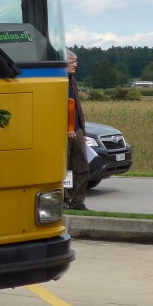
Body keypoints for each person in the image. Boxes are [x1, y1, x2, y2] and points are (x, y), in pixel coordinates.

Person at [65, 51, 90, 210]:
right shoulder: (57, 82)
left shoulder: (72, 81)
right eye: (72, 62)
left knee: (82, 168)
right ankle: (64, 201)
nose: (75, 64)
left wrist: (82, 130)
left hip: (78, 130)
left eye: (76, 62)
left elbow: (76, 108)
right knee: (65, 169)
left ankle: (77, 202)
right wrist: (66, 128)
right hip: (65, 132)